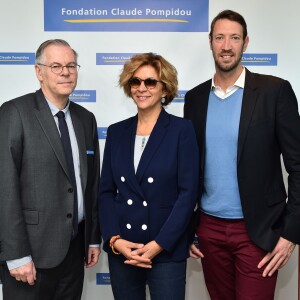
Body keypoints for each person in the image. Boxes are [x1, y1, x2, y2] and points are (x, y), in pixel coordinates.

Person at [184, 9, 300, 300]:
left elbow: (298, 166)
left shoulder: (275, 91)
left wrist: (290, 233)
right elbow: (187, 169)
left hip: (258, 231)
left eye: (234, 38)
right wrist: (188, 228)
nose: (227, 46)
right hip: (209, 230)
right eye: (220, 38)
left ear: (245, 42)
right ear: (210, 42)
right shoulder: (195, 99)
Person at [0, 39, 101, 300]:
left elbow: (91, 185)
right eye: (56, 66)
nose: (65, 72)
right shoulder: (14, 113)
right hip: (30, 257)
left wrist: (91, 238)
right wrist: (17, 254)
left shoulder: (86, 119)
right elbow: (4, 188)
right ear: (39, 72)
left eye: (71, 65)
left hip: (74, 251)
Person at [98, 52, 199, 300]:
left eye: (150, 82)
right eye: (135, 82)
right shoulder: (116, 132)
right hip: (125, 249)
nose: (142, 88)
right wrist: (114, 240)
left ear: (165, 89)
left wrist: (159, 244)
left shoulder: (181, 130)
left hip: (165, 248)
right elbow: (106, 192)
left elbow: (188, 193)